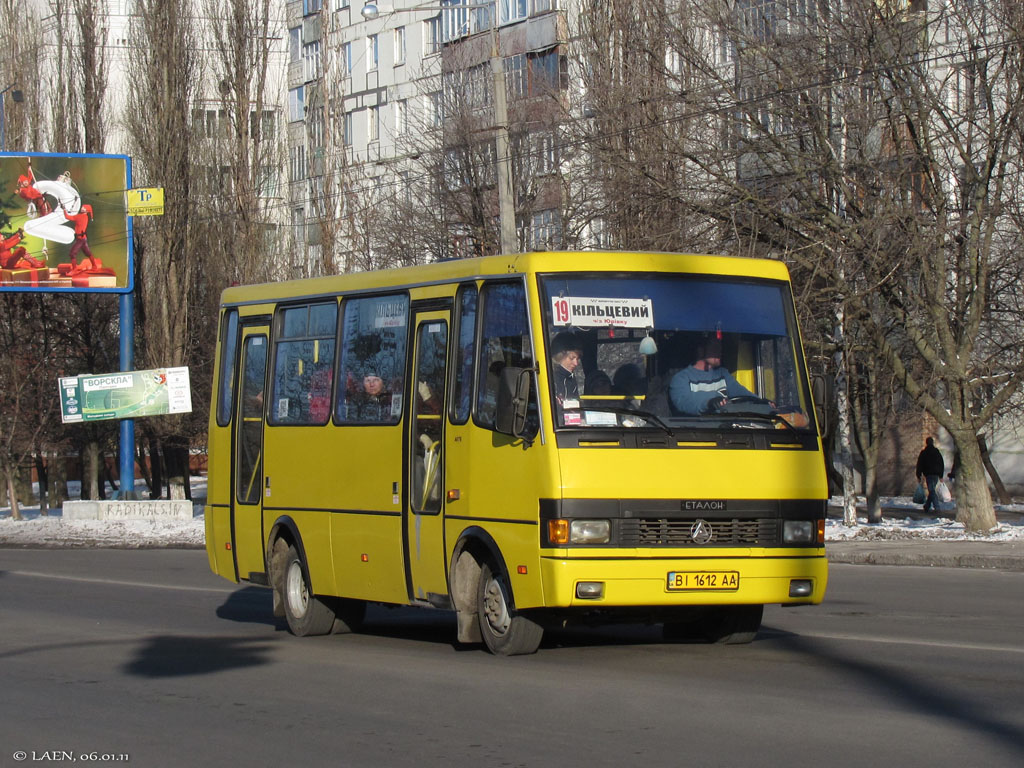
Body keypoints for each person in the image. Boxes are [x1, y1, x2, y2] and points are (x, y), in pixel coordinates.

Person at [669, 337, 758, 415]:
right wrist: (709, 403)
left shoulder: (723, 374)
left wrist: (762, 402)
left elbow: (741, 393)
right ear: (701, 350)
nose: (719, 350)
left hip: (726, 430)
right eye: (714, 346)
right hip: (697, 431)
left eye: (720, 346)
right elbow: (683, 402)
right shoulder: (681, 378)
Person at [550, 332, 582, 405]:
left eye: (578, 359)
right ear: (559, 356)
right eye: (572, 358)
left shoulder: (571, 378)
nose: (576, 363)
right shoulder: (550, 378)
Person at [916, 436, 945, 514]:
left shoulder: (924, 452)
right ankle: (927, 506)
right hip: (935, 474)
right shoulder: (936, 452)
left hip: (928, 474)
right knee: (932, 490)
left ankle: (937, 507)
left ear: (926, 443)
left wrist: (918, 475)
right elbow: (941, 464)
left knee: (931, 490)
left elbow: (920, 464)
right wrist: (941, 475)